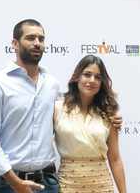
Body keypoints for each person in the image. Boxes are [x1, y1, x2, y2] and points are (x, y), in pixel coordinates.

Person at [0, 19, 123, 193]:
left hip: (48, 182)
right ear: (15, 44)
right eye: (30, 38)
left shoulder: (51, 85)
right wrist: (14, 181)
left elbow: (68, 122)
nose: (37, 43)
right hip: (9, 182)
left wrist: (112, 117)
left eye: (41, 38)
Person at [54, 55, 127, 193]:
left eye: (98, 77)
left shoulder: (108, 113)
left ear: (102, 83)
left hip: (102, 185)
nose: (92, 80)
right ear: (77, 77)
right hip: (67, 185)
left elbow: (115, 158)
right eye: (87, 74)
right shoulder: (58, 108)